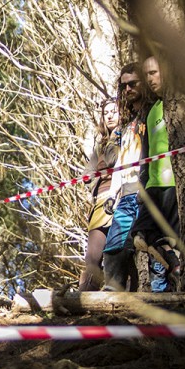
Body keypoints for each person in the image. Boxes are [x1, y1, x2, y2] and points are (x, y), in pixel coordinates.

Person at [130, 56, 182, 293]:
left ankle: (175, 279)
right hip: (153, 185)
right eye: (147, 75)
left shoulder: (183, 104)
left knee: (173, 238)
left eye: (154, 73)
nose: (150, 79)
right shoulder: (152, 111)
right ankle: (173, 262)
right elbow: (146, 154)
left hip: (175, 183)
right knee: (141, 237)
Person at [101, 62, 153, 291]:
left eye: (133, 83)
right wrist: (112, 193)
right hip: (127, 191)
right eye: (124, 86)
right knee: (114, 244)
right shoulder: (127, 124)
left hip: (151, 188)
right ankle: (112, 293)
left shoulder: (155, 112)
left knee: (151, 244)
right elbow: (120, 162)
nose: (128, 89)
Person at [79, 97, 120, 291]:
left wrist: (114, 140)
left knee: (118, 251)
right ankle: (85, 296)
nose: (110, 115)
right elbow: (88, 174)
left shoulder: (126, 136)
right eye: (106, 113)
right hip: (99, 202)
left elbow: (114, 160)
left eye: (114, 111)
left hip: (121, 198)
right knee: (92, 256)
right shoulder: (100, 144)